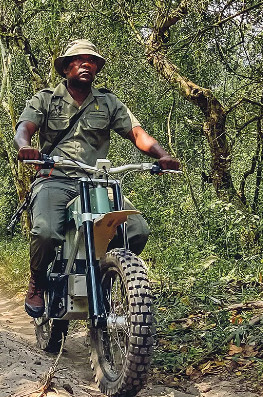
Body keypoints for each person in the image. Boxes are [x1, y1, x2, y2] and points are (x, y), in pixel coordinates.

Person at [14, 39, 180, 318]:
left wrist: (162, 155)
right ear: (66, 67)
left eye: (91, 61)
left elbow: (137, 134)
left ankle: (105, 274)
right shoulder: (45, 99)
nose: (86, 64)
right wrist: (25, 147)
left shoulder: (108, 102)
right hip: (55, 177)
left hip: (95, 181)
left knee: (136, 229)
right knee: (45, 232)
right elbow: (24, 129)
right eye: (79, 60)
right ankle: (38, 283)